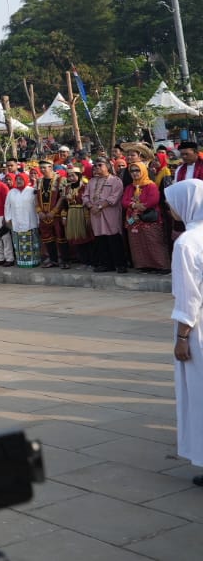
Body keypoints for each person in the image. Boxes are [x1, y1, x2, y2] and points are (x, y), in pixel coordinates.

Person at [166, 179, 203, 488]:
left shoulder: (187, 242)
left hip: (199, 328)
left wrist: (182, 337)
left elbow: (189, 296)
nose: (169, 208)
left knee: (199, 394)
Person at [124, 161, 169, 272]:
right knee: (138, 243)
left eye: (137, 170)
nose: (134, 173)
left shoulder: (151, 185)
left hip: (148, 218)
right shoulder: (130, 187)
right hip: (133, 220)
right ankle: (144, 265)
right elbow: (124, 201)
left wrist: (139, 206)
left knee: (154, 242)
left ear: (143, 171)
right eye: (132, 171)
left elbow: (153, 200)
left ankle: (161, 266)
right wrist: (134, 204)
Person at [84, 158, 127, 273]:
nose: (97, 167)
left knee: (114, 238)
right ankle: (106, 264)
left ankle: (120, 264)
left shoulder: (115, 180)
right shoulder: (91, 181)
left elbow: (115, 196)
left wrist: (99, 207)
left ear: (107, 166)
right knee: (100, 239)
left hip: (109, 213)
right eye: (95, 166)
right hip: (95, 214)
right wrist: (90, 206)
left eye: (100, 165)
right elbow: (85, 196)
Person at [36, 163, 67, 269]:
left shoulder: (60, 179)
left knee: (61, 237)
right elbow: (36, 197)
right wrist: (39, 211)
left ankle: (64, 260)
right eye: (41, 168)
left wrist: (54, 211)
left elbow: (63, 197)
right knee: (47, 238)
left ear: (51, 167)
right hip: (43, 214)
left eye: (45, 167)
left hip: (56, 213)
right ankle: (53, 260)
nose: (42, 170)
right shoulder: (39, 180)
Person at [5, 173, 41, 267]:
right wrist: (8, 219)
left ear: (26, 179)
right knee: (19, 244)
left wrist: (38, 220)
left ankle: (33, 262)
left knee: (32, 243)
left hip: (31, 221)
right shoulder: (11, 192)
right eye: (17, 179)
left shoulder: (32, 191)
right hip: (16, 222)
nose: (19, 181)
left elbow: (37, 205)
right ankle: (21, 262)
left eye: (21, 179)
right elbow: (7, 206)